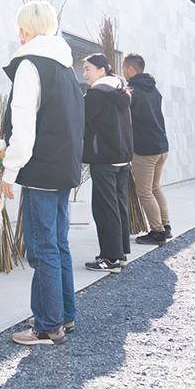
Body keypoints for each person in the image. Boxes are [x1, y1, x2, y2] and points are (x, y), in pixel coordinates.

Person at [0, 0, 85, 346]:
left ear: (26, 30)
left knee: (41, 248)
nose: (18, 34)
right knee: (58, 244)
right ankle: (64, 314)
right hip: (64, 167)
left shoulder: (29, 65)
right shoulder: (65, 66)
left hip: (41, 169)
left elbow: (23, 125)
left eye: (20, 28)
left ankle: (48, 326)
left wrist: (9, 170)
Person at [81, 54, 134, 273]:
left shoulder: (96, 94)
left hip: (103, 158)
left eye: (88, 69)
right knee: (119, 205)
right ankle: (120, 254)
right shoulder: (121, 91)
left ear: (102, 70)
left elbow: (80, 118)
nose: (84, 73)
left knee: (105, 208)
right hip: (122, 158)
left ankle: (110, 258)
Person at [123, 53, 172, 246]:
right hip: (161, 146)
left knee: (144, 192)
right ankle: (166, 226)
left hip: (145, 149)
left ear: (131, 69)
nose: (123, 73)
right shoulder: (154, 89)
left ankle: (158, 232)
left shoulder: (132, 92)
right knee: (155, 187)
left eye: (124, 69)